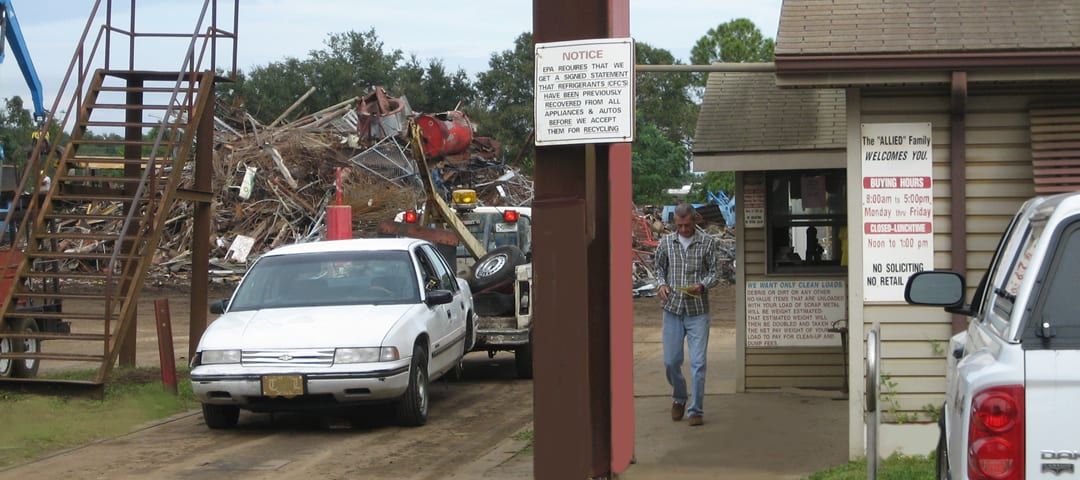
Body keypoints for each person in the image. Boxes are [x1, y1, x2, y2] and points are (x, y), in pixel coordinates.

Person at [655, 203, 721, 427]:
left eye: (687, 225)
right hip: (672, 309)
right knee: (671, 362)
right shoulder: (665, 243)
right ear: (675, 222)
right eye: (679, 225)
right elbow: (658, 269)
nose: (683, 229)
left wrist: (702, 285)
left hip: (697, 311)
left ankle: (696, 410)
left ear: (695, 220)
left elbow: (715, 272)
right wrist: (661, 285)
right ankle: (679, 396)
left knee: (699, 363)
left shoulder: (708, 243)